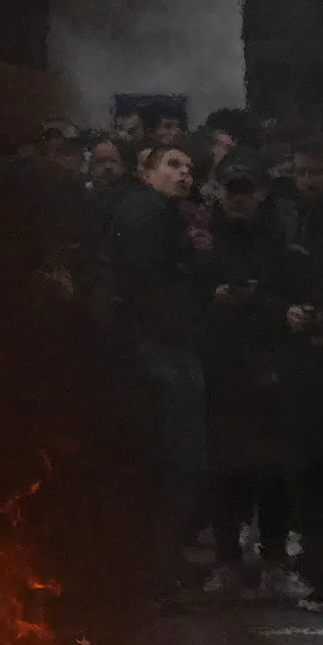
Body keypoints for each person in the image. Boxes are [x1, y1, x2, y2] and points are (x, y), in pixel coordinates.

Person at [104, 139, 208, 599]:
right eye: (172, 165)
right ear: (148, 174)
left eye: (189, 167)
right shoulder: (149, 214)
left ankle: (156, 572)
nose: (184, 174)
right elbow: (149, 283)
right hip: (158, 352)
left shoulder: (161, 217)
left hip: (156, 350)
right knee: (174, 463)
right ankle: (157, 575)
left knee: (171, 465)